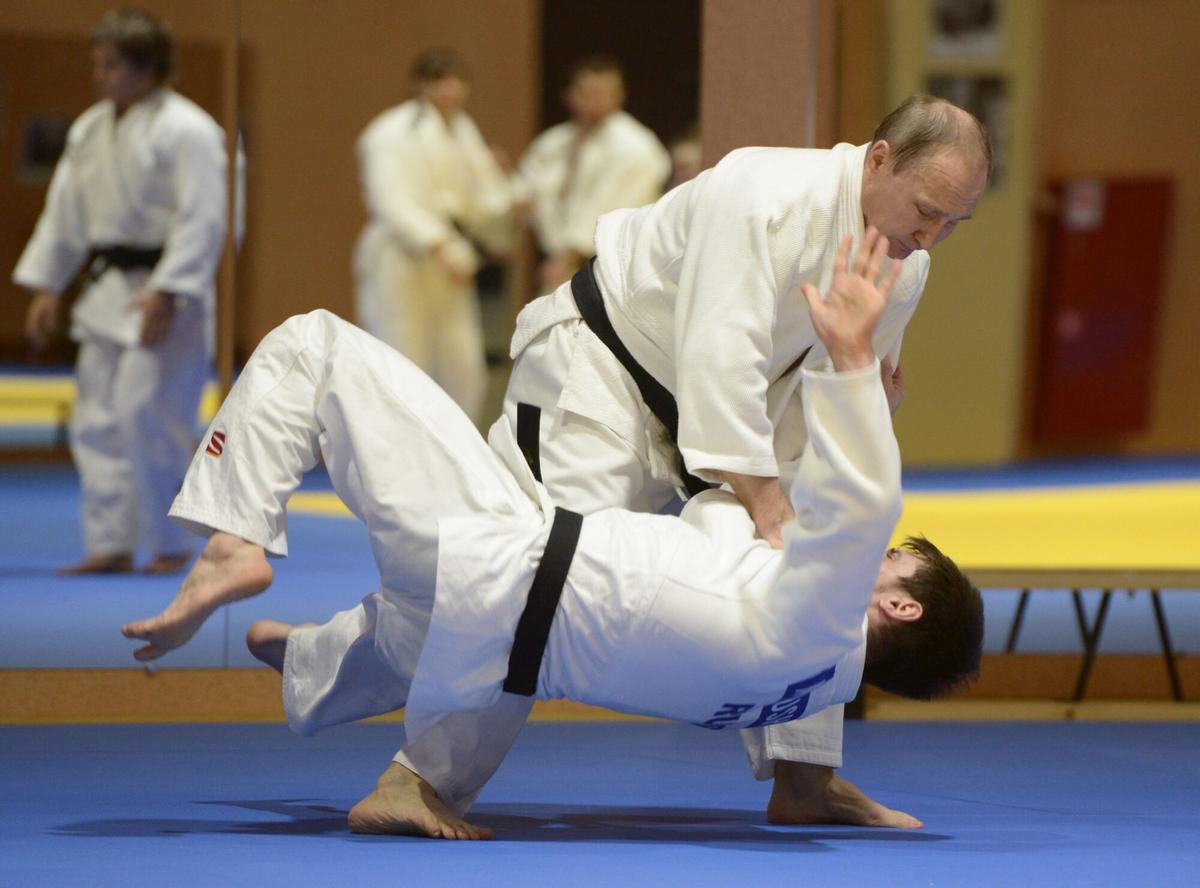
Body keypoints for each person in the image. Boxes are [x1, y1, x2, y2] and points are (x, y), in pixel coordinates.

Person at [121, 229, 984, 840]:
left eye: (898, 556)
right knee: (424, 617)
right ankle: (324, 679)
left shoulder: (821, 610)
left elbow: (856, 498)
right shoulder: (801, 677)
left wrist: (855, 376)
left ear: (899, 606)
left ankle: (233, 543)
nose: (883, 543)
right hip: (498, 638)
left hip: (497, 556)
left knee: (315, 348)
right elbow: (736, 511)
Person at [491, 94, 992, 821]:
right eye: (926, 209)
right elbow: (717, 353)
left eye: (954, 222)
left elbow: (844, 387)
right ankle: (416, 768)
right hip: (604, 375)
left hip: (745, 423)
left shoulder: (904, 265)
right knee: (528, 579)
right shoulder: (764, 193)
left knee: (822, 571)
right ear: (879, 159)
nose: (933, 235)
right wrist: (764, 503)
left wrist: (833, 466)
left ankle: (805, 781)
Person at [13, 7, 228, 575]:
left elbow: (203, 218)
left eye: (110, 65)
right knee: (97, 420)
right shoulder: (89, 128)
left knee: (149, 415)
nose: (98, 75)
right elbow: (66, 215)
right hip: (108, 290)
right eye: (98, 63)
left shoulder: (189, 129)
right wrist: (48, 286)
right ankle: (109, 543)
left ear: (147, 67)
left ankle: (172, 544)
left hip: (166, 295)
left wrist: (169, 289)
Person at [352, 48, 512, 423]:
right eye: (440, 80)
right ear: (420, 85)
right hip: (403, 256)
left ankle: (455, 456)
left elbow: (481, 196)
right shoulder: (391, 130)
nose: (451, 90)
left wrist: (504, 205)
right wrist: (436, 242)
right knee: (400, 356)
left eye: (458, 80)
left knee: (463, 367)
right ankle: (389, 455)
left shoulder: (463, 129)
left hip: (454, 257)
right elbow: (389, 198)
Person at [513, 55, 670, 293]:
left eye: (606, 92)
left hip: (606, 264)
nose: (597, 99)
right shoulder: (554, 142)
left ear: (621, 95)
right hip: (558, 258)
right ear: (570, 94)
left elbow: (614, 205)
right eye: (589, 91)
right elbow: (528, 188)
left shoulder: (636, 145)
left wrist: (569, 256)